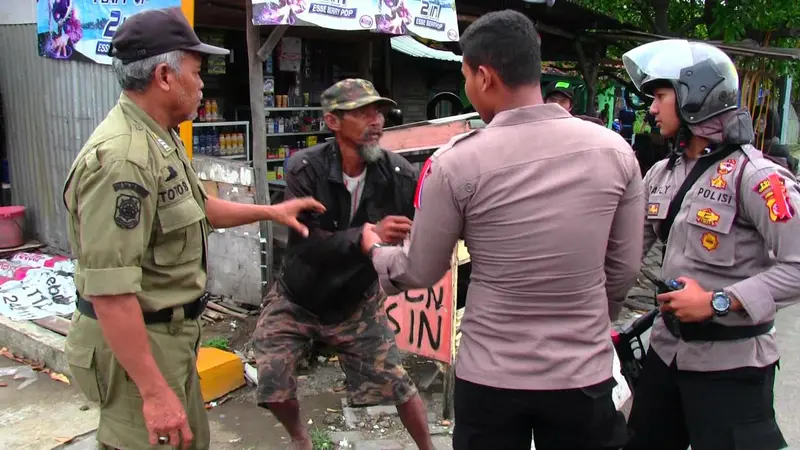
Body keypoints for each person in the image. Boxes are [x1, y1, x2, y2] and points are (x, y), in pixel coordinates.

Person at [362, 10, 641, 450]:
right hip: (583, 374)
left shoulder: (456, 163)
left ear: (485, 76)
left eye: (466, 77)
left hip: (492, 376)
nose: (468, 88)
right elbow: (623, 269)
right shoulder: (615, 152)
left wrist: (376, 250)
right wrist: (585, 325)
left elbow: (419, 270)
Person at [62, 8, 324, 450]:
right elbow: (110, 292)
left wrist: (270, 212)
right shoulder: (123, 157)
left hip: (171, 340)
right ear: (165, 76)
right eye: (197, 72)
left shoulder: (159, 136)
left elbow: (199, 209)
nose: (203, 84)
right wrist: (153, 392)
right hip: (137, 348)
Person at [621, 39, 800, 450]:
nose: (651, 109)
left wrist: (719, 302)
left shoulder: (757, 178)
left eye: (660, 96)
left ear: (693, 99)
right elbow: (624, 253)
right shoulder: (662, 175)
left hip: (732, 368)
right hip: (665, 355)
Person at [252, 78, 434, 450]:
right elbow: (305, 243)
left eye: (379, 112)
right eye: (363, 113)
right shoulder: (305, 169)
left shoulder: (398, 174)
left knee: (398, 384)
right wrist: (362, 236)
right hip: (297, 297)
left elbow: (416, 226)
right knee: (271, 378)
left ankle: (429, 448)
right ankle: (300, 436)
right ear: (333, 121)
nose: (377, 121)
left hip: (356, 301)